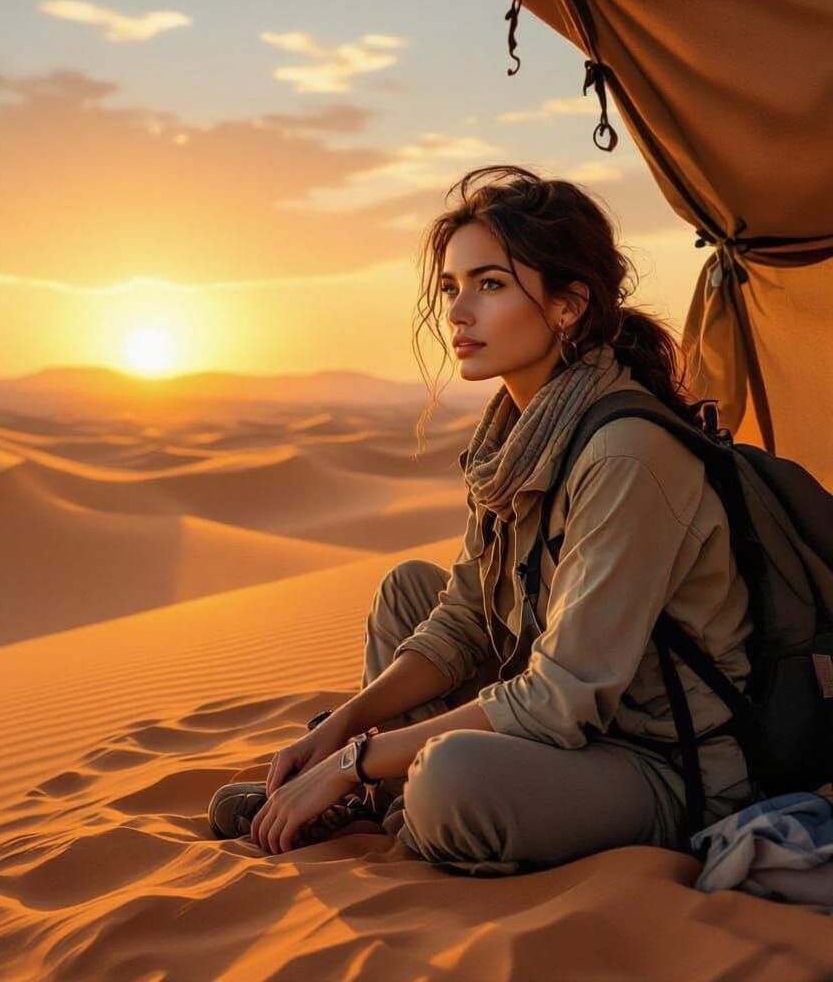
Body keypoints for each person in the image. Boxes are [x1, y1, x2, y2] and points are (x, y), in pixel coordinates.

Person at [208, 164, 764, 873]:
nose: (458, 312)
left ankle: (394, 801)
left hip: (661, 762)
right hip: (572, 736)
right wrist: (348, 722)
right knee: (406, 592)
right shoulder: (516, 441)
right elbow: (465, 618)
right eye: (451, 286)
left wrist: (353, 760)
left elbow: (561, 698)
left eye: (490, 284)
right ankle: (381, 797)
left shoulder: (626, 453)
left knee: (452, 782)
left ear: (568, 306)